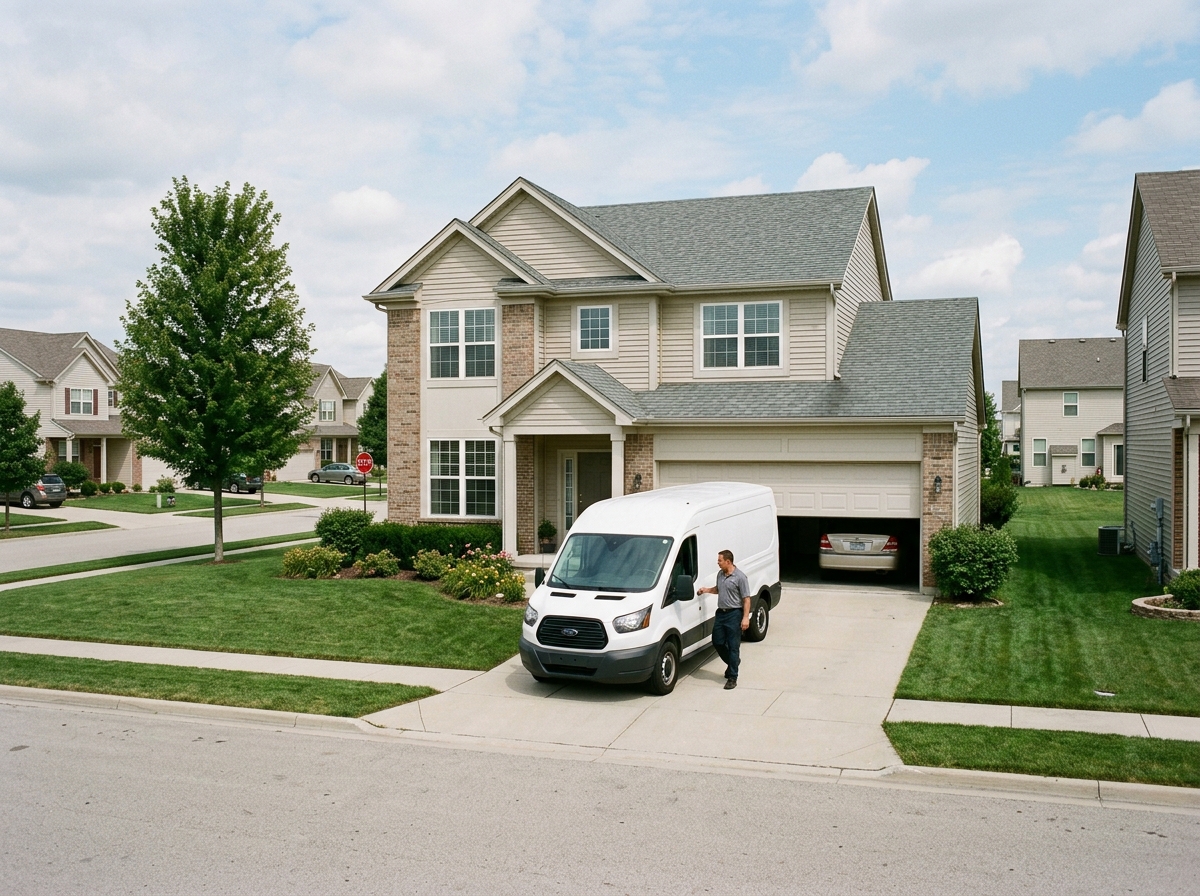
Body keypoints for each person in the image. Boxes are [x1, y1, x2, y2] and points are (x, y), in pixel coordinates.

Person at [697, 549, 750, 689]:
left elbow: (746, 599)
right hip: (721, 613)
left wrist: (745, 618)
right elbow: (719, 589)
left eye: (720, 560)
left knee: (733, 646)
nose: (717, 563)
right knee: (717, 641)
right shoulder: (720, 574)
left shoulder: (740, 577)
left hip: (734, 614)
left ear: (728, 561)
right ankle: (734, 662)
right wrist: (706, 590)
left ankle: (732, 677)